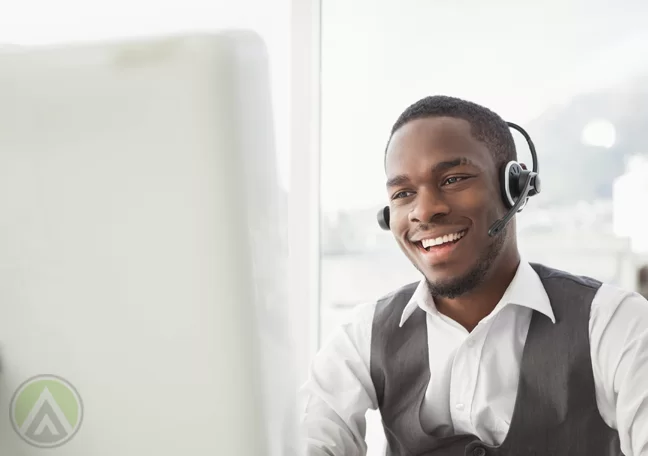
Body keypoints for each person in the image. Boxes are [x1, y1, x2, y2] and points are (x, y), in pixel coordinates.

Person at [300, 95, 648, 456]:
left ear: (514, 189)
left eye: (453, 179)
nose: (424, 211)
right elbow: (310, 441)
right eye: (403, 193)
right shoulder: (362, 337)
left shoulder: (614, 323)